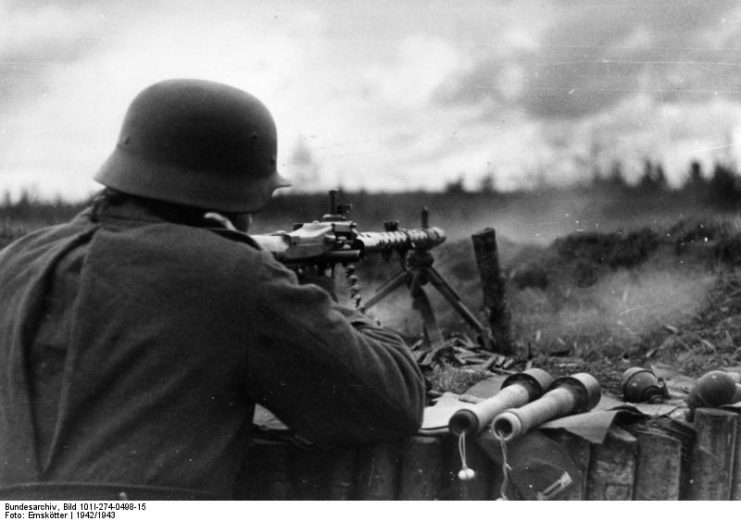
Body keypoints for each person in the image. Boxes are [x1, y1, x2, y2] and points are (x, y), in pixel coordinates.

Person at [0, 79, 426, 500]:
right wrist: (320, 297)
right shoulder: (236, 273)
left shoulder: (16, 259)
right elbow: (393, 402)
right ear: (235, 199)